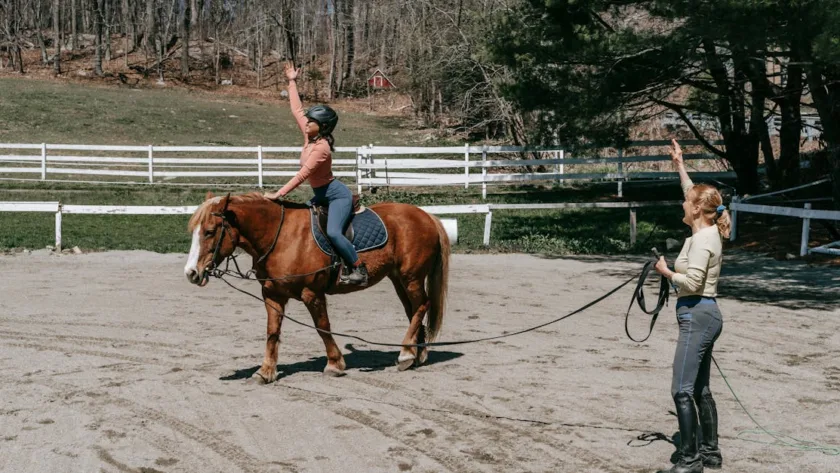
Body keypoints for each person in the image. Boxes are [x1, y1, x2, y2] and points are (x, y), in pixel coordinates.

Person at [652, 139, 731, 473]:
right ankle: (710, 452)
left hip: (697, 312)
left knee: (681, 389)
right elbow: (692, 191)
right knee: (699, 388)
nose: (682, 205)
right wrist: (680, 164)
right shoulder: (709, 228)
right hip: (706, 314)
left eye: (686, 203)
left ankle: (690, 460)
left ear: (697, 209)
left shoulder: (702, 241)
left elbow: (692, 283)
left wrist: (666, 271)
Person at [264, 62, 368, 286]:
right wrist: (292, 81)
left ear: (321, 127)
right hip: (320, 194)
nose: (306, 122)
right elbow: (296, 110)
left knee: (333, 232)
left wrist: (277, 194)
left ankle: (358, 268)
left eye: (311, 121)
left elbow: (302, 175)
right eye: (308, 120)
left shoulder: (322, 148)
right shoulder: (309, 136)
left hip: (335, 195)